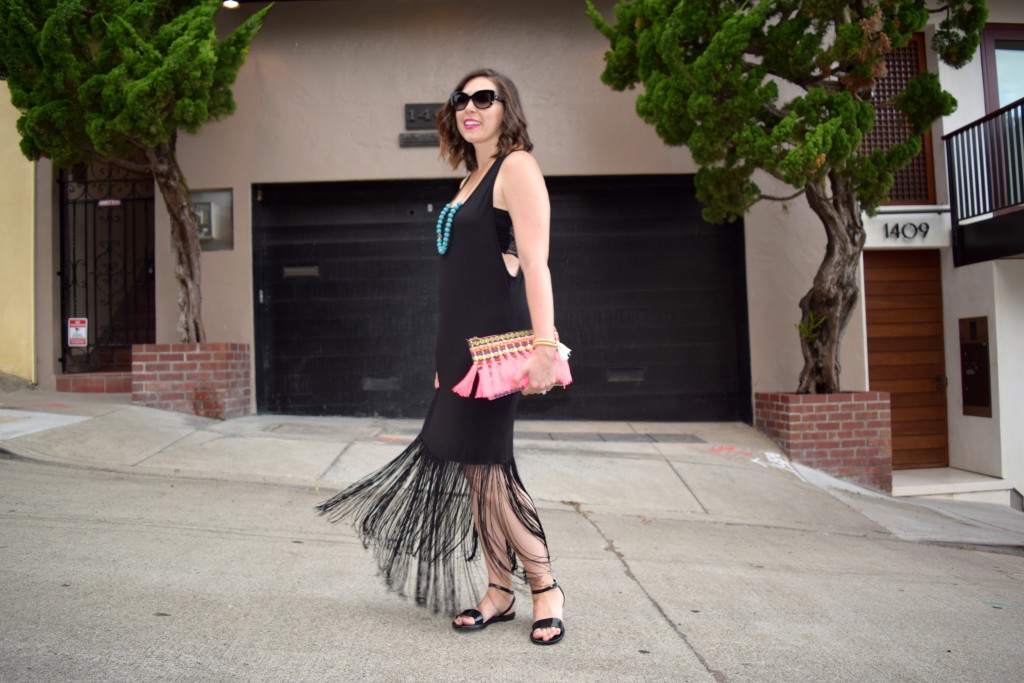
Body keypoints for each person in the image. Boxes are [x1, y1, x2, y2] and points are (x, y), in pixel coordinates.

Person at [316, 68, 566, 646]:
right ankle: (500, 591)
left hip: (498, 349)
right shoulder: (471, 177)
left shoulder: (517, 167)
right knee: (476, 473)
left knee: (494, 469)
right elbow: (458, 281)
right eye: (462, 99)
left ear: (508, 108)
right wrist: (443, 356)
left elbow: (536, 263)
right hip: (459, 353)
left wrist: (545, 345)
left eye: (485, 97)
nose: (470, 107)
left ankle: (545, 586)